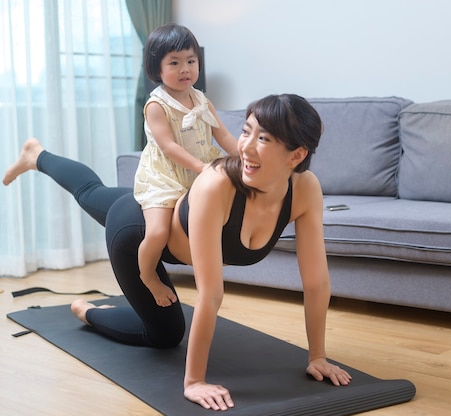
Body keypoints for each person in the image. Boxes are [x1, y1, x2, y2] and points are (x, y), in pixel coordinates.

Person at [2, 93, 352, 411]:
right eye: (245, 132)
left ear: (297, 154)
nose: (245, 147)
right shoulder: (218, 185)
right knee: (165, 335)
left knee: (95, 189)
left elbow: (317, 282)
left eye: (263, 138)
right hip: (136, 235)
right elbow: (211, 293)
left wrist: (318, 356)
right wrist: (194, 381)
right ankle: (89, 311)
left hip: (165, 217)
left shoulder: (305, 190)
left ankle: (36, 155)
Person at [135, 23, 238, 308]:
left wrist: (245, 156)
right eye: (175, 63)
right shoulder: (157, 105)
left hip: (200, 171)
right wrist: (201, 168)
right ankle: (148, 275)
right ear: (157, 69)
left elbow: (224, 135)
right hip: (165, 176)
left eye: (191, 61)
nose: (185, 69)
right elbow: (168, 146)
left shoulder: (202, 100)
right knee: (157, 232)